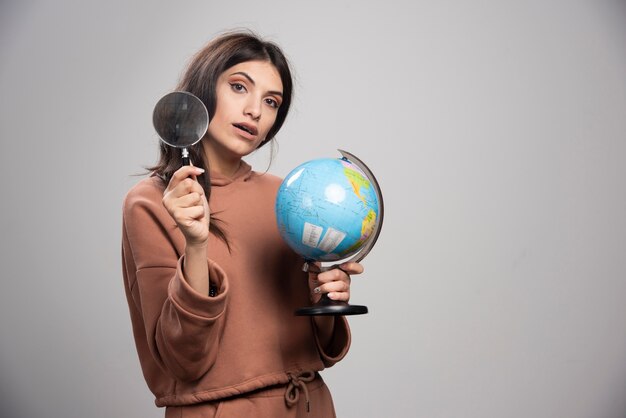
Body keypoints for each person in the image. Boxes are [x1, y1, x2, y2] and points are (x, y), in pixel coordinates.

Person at [121, 30, 364, 417]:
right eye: (239, 87)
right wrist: (196, 245)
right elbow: (183, 362)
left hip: (307, 404)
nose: (255, 110)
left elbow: (321, 348)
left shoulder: (288, 197)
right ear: (202, 92)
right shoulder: (151, 203)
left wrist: (327, 299)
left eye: (271, 102)